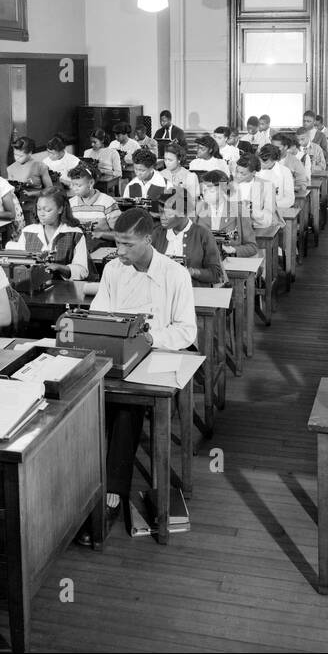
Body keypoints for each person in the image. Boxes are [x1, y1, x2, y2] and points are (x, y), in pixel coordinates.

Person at [84, 209, 196, 524]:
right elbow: (99, 316)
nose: (120, 252)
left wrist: (146, 337)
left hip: (159, 354)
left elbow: (186, 332)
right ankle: (82, 487)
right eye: (117, 244)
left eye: (128, 245)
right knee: (83, 399)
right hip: (119, 353)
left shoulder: (175, 275)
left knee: (125, 406)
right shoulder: (112, 270)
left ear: (148, 239)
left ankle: (113, 492)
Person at [12, 188, 89, 280]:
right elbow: (19, 262)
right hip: (32, 286)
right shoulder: (27, 232)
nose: (41, 214)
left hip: (64, 289)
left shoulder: (75, 234)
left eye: (47, 210)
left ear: (60, 209)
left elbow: (82, 271)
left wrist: (60, 267)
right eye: (39, 209)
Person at [152, 195, 225, 285]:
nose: (162, 217)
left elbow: (216, 274)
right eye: (160, 212)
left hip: (193, 294)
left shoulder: (203, 235)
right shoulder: (156, 234)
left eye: (168, 214)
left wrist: (192, 272)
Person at [195, 170, 259, 257]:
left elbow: (252, 247)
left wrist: (233, 250)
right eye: (204, 190)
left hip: (231, 263)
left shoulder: (239, 211)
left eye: (211, 191)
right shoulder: (198, 211)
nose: (206, 194)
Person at [233, 152, 282, 234]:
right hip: (235, 228)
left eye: (243, 174)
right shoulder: (228, 185)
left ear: (254, 172)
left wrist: (252, 211)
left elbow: (268, 217)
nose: (238, 176)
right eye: (237, 171)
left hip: (259, 228)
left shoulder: (267, 186)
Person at [67, 165, 121, 230]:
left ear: (91, 183)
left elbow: (118, 234)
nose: (74, 189)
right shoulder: (71, 204)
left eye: (78, 185)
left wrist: (101, 234)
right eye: (72, 185)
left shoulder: (108, 202)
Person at [160, 141, 200, 215]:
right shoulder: (160, 175)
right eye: (165, 159)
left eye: (170, 160)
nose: (167, 163)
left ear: (179, 160)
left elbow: (193, 203)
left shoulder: (190, 176)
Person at [272, 133, 309, 197]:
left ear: (286, 147)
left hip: (288, 197)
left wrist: (286, 189)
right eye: (272, 147)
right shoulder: (267, 160)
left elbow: (302, 185)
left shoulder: (295, 162)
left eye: (277, 147)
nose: (273, 149)